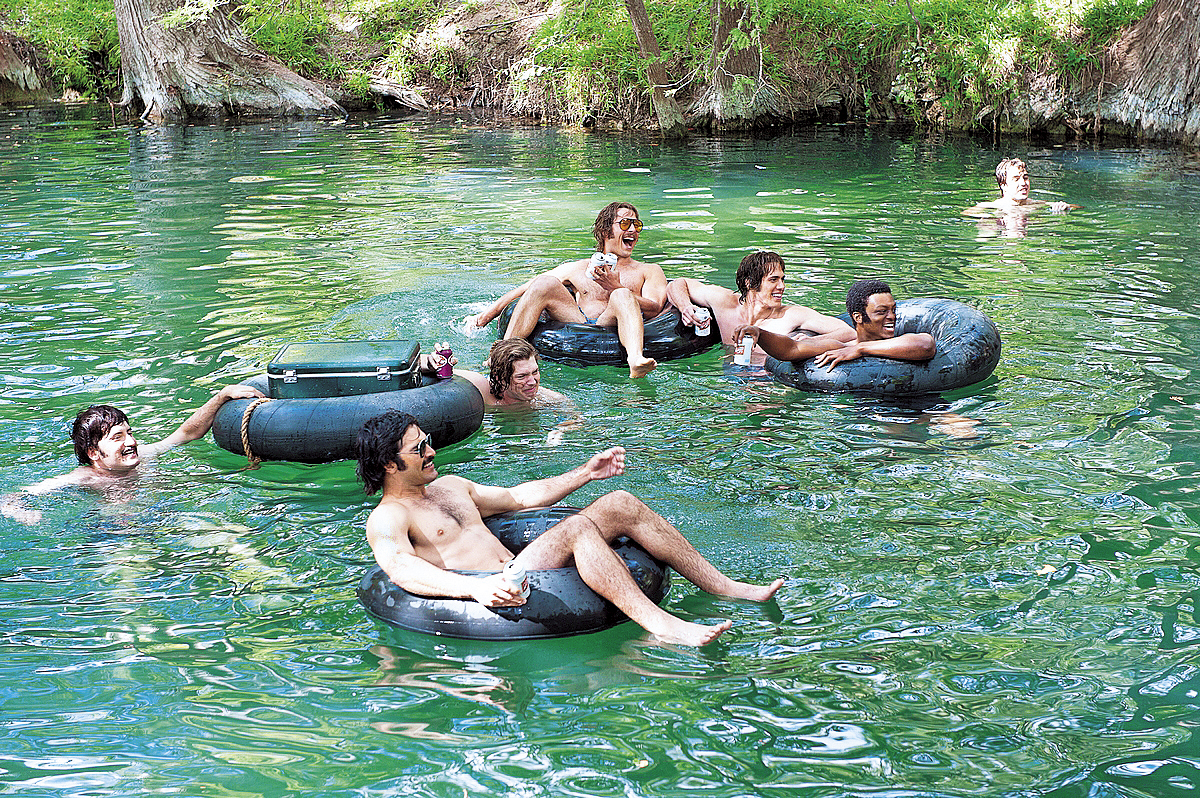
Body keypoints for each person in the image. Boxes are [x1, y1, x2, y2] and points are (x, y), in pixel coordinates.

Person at [356, 410, 784, 647]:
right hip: (496, 588)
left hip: (522, 565)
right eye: (419, 449)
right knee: (577, 528)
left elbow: (520, 498)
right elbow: (402, 569)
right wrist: (475, 589)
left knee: (620, 502)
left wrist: (585, 473)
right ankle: (663, 625)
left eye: (427, 441)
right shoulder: (389, 517)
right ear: (390, 464)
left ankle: (725, 586)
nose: (431, 451)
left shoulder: (450, 486)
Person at [1, 384, 264, 524]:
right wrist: (18, 511)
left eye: (129, 432)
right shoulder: (84, 478)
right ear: (94, 453)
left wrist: (222, 396)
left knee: (226, 535)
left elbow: (187, 433)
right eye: (118, 437)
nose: (132, 442)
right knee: (129, 580)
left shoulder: (144, 456)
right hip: (115, 532)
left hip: (166, 517)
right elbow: (11, 497)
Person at [472, 202, 666, 379]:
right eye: (625, 223)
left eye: (636, 225)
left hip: (612, 322)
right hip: (579, 322)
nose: (633, 230)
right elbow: (527, 288)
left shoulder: (649, 270)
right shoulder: (578, 268)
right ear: (606, 230)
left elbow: (656, 308)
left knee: (621, 294)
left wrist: (616, 287)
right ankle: (502, 356)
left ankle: (636, 360)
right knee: (544, 282)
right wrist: (484, 317)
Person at [665, 251, 856, 360]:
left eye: (782, 279)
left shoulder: (791, 315)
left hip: (766, 380)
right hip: (727, 374)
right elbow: (677, 284)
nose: (782, 286)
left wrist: (809, 343)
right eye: (773, 280)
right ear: (750, 283)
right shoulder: (724, 303)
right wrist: (685, 307)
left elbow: (849, 332)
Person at [734, 279, 936, 367]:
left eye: (893, 310)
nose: (891, 317)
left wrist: (860, 350)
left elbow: (926, 345)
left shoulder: (903, 340)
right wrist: (760, 333)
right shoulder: (838, 346)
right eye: (882, 312)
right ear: (858, 317)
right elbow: (791, 349)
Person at [963, 157, 1071, 216]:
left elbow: (1073, 206)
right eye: (1016, 179)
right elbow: (965, 215)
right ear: (1003, 185)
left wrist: (1063, 208)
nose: (1023, 183)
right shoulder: (991, 206)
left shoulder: (1036, 204)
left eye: (1025, 177)